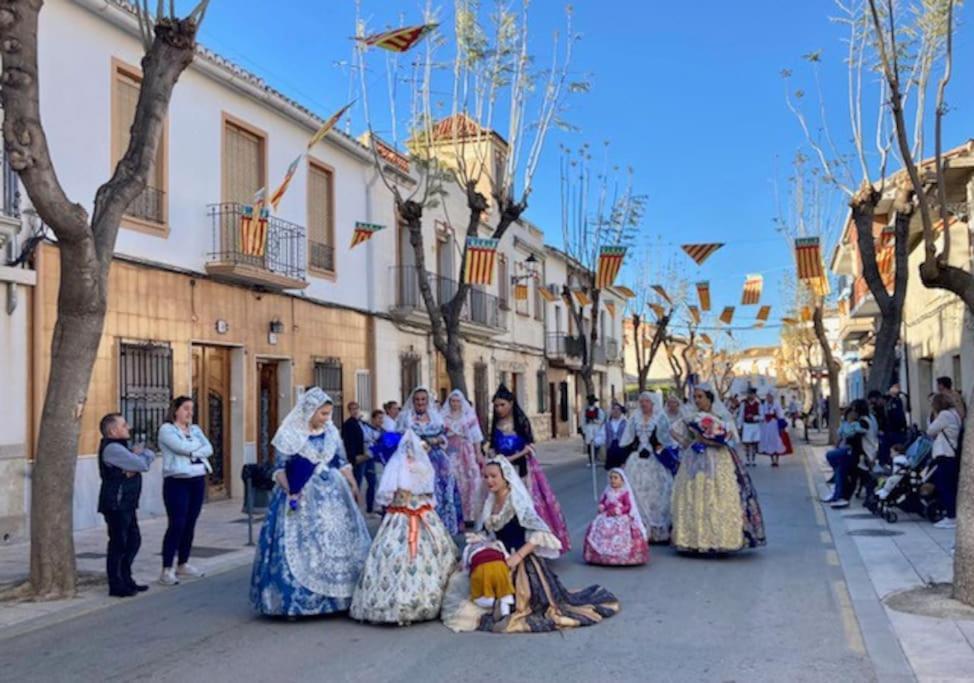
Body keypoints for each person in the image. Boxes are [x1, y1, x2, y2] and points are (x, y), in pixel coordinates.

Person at [441, 458, 619, 633]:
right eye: (486, 477)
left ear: (506, 477)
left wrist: (517, 557)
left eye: (494, 476)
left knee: (525, 604)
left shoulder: (517, 502)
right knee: (463, 580)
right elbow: (487, 532)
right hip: (499, 554)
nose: (489, 481)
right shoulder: (490, 502)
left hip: (521, 558)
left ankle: (500, 604)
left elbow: (539, 532)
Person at [250, 389, 371, 617]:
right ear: (310, 411)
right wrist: (291, 491)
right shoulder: (290, 433)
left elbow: (342, 461)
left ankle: (339, 598)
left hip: (334, 496)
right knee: (304, 544)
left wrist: (353, 485)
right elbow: (279, 468)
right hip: (301, 496)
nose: (326, 419)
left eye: (328, 414)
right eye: (323, 414)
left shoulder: (331, 433)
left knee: (335, 542)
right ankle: (297, 601)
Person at [350, 429, 459, 625]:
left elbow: (425, 493)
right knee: (393, 551)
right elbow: (388, 494)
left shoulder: (415, 465)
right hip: (402, 514)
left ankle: (420, 598)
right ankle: (392, 601)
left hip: (417, 513)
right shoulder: (399, 466)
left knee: (423, 551)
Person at [670, 385, 766, 553]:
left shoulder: (722, 416)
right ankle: (692, 539)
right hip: (695, 457)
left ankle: (719, 538)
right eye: (695, 397)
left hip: (718, 458)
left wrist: (712, 441)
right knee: (694, 493)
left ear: (709, 398)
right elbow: (674, 430)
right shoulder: (692, 416)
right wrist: (690, 442)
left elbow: (731, 437)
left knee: (718, 493)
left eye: (700, 397)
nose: (697, 400)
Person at [488, 384, 571, 553]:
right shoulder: (496, 423)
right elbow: (492, 445)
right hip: (501, 471)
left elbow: (530, 446)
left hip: (521, 469)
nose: (499, 409)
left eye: (502, 405)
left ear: (511, 404)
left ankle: (531, 542)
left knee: (524, 504)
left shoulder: (521, 421)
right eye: (496, 405)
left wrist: (511, 459)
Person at [97, 413, 156, 597]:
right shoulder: (113, 449)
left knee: (133, 540)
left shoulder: (122, 448)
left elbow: (147, 457)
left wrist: (136, 461)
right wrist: (136, 460)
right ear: (113, 431)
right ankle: (116, 584)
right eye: (123, 425)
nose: (128, 427)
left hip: (127, 503)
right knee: (119, 543)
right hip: (116, 503)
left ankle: (126, 578)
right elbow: (143, 464)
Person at [158, 396, 213, 586]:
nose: (190, 413)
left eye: (192, 409)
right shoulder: (167, 430)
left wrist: (193, 450)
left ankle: (183, 562)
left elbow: (210, 448)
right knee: (177, 523)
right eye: (186, 408)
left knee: (190, 522)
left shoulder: (196, 430)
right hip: (177, 481)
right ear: (176, 411)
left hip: (197, 479)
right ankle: (167, 568)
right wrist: (195, 449)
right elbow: (180, 448)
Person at [397, 386, 464, 534]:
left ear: (428, 401)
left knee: (441, 491)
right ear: (413, 401)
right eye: (417, 400)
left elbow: (444, 437)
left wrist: (435, 440)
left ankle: (442, 528)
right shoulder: (406, 418)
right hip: (414, 460)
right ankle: (418, 527)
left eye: (423, 399)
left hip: (437, 460)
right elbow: (400, 440)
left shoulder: (436, 417)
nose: (420, 403)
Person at [621, 391, 676, 543]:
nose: (643, 404)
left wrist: (656, 446)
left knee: (658, 494)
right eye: (641, 401)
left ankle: (658, 531)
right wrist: (630, 452)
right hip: (638, 459)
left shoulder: (661, 418)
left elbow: (666, 440)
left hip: (655, 459)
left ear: (653, 403)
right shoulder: (634, 418)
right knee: (637, 493)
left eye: (646, 401)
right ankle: (641, 528)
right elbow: (627, 439)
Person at [583, 468, 650, 566]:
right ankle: (600, 554)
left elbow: (628, 506)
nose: (613, 480)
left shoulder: (624, 493)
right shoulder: (608, 492)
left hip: (621, 517)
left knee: (621, 531)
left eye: (615, 478)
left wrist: (619, 510)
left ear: (622, 480)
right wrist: (602, 506)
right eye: (611, 478)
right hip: (607, 516)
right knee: (598, 526)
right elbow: (603, 502)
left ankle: (620, 556)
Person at [441, 389, 486, 523]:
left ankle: (470, 514)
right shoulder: (444, 417)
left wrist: (478, 453)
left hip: (466, 451)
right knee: (454, 479)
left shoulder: (468, 416)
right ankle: (455, 514)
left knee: (470, 480)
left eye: (457, 401)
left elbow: (476, 436)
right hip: (451, 451)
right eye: (453, 401)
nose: (455, 404)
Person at [821, 405, 868, 508]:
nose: (852, 415)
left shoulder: (858, 424)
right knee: (838, 469)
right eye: (851, 413)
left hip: (851, 451)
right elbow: (840, 435)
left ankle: (838, 496)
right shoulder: (845, 424)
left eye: (854, 413)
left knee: (836, 463)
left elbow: (860, 432)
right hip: (845, 449)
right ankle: (838, 495)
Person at [928, 393, 962, 529]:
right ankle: (951, 514)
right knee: (950, 486)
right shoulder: (955, 414)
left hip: (944, 453)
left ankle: (951, 516)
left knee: (945, 486)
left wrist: (935, 415)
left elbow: (930, 430)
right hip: (951, 454)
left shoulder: (944, 415)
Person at [341, 402, 377, 515]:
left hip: (368, 455)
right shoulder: (348, 424)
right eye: (352, 409)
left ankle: (370, 507)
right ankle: (354, 509)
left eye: (356, 408)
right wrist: (353, 457)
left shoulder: (362, 422)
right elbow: (348, 442)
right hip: (358, 457)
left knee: (372, 481)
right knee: (357, 483)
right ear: (349, 411)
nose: (355, 411)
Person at [758, 391, 789, 467]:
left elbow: (780, 415)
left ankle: (777, 460)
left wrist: (781, 425)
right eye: (767, 397)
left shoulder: (776, 404)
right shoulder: (764, 405)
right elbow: (762, 414)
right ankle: (772, 460)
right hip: (767, 425)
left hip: (775, 425)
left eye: (769, 397)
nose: (768, 398)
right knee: (769, 441)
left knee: (777, 441)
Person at [603, 402, 630, 470]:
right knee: (611, 473)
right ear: (611, 411)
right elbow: (602, 435)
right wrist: (594, 441)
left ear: (621, 411)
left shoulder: (626, 423)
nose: (616, 411)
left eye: (618, 409)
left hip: (623, 450)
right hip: (611, 450)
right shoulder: (607, 424)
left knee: (623, 473)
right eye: (614, 409)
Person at [738, 388, 761, 467]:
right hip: (747, 425)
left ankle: (753, 460)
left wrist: (754, 417)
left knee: (754, 443)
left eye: (752, 394)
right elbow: (741, 415)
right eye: (749, 394)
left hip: (755, 425)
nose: (750, 395)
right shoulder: (744, 403)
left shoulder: (758, 404)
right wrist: (739, 426)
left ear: (754, 395)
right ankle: (747, 460)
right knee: (747, 443)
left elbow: (761, 416)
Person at [581, 394, 606, 466]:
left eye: (592, 401)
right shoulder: (585, 411)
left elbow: (602, 420)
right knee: (589, 445)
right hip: (588, 429)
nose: (591, 402)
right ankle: (590, 460)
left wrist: (595, 421)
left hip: (596, 428)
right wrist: (583, 431)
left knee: (596, 444)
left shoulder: (599, 410)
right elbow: (582, 421)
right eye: (590, 401)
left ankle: (595, 458)